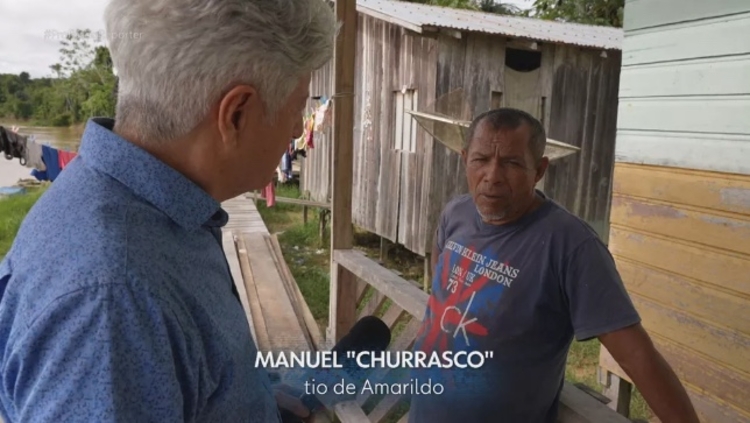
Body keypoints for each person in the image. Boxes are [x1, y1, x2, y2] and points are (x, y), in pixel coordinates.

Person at [0, 0, 336, 422]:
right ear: (236, 114)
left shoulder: (160, 207)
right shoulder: (113, 304)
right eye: (297, 105)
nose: (295, 128)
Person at [408, 108, 700, 423]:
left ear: (539, 169)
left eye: (512, 163)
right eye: (480, 160)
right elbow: (442, 289)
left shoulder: (571, 246)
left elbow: (638, 357)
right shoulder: (457, 214)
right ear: (465, 159)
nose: (492, 176)